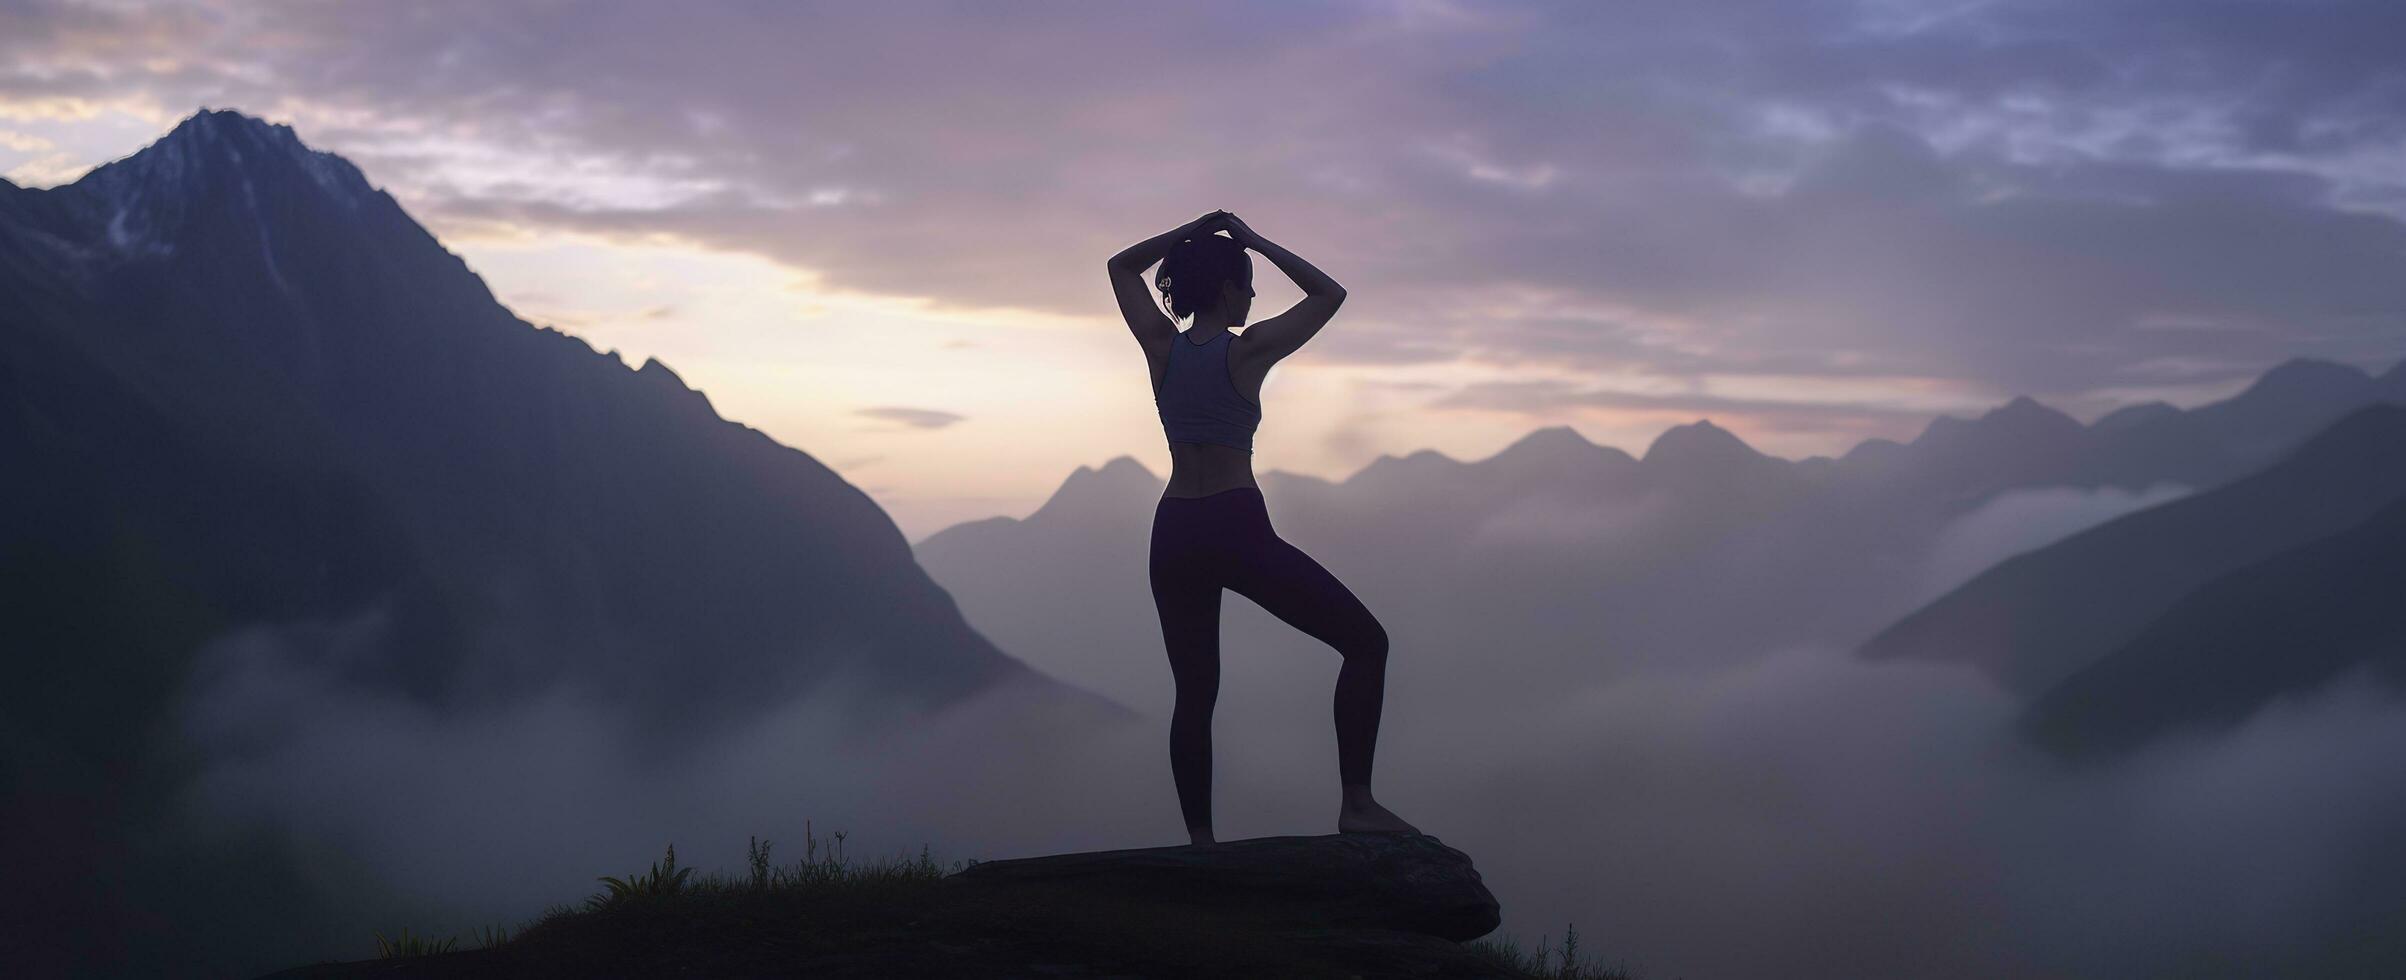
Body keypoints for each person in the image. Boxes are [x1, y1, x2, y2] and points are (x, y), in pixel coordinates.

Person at [1106, 209, 1421, 846]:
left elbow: (1120, 267)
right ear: (1227, 290)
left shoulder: (1161, 347)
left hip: (1172, 531)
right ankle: (1356, 804)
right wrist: (1249, 239)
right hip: (1233, 524)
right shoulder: (1247, 350)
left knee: (1194, 693)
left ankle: (1201, 843)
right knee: (1366, 644)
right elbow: (1330, 294)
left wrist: (1192, 233)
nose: (1253, 295)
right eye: (1247, 283)